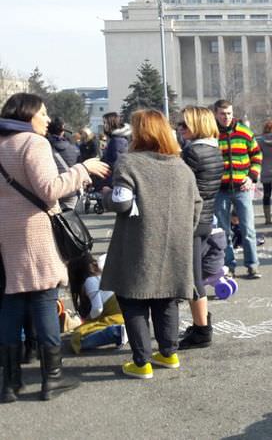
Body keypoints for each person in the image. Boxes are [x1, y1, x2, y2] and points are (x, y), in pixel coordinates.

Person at [0, 93, 110, 403]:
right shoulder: (33, 143)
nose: (47, 119)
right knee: (44, 298)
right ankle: (52, 379)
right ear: (27, 115)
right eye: (43, 113)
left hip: (5, 234)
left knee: (10, 301)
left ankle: (9, 383)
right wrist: (83, 170)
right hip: (33, 232)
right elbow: (50, 189)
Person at [100, 109, 202, 379]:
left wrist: (106, 196)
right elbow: (197, 206)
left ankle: (141, 361)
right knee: (167, 299)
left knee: (132, 299)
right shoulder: (181, 167)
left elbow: (121, 202)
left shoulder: (129, 163)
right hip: (175, 245)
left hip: (138, 243)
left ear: (140, 132)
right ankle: (169, 353)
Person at [175, 106, 223, 350]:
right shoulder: (214, 149)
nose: (180, 128)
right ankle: (201, 324)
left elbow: (179, 186)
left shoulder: (193, 153)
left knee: (193, 279)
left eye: (184, 124)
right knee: (195, 276)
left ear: (198, 125)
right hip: (204, 219)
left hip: (191, 221)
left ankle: (202, 329)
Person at [212, 99, 263, 279]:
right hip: (221, 189)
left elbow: (256, 155)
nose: (226, 117)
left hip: (242, 187)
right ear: (216, 114)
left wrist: (252, 177)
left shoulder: (244, 132)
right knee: (223, 230)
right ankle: (228, 266)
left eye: (229, 114)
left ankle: (252, 265)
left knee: (248, 228)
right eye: (222, 114)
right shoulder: (212, 134)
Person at [68, 253, 126, 354]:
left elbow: (98, 309)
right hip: (126, 312)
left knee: (78, 338)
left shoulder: (90, 280)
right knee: (86, 329)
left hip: (115, 317)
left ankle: (116, 332)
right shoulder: (102, 272)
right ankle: (125, 331)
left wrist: (88, 319)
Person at [46, 117, 82, 211]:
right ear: (62, 131)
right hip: (71, 188)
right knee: (68, 220)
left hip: (51, 189)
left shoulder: (43, 147)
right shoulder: (73, 148)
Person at [101, 111, 130, 187]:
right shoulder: (114, 139)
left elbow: (119, 165)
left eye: (105, 123)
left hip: (114, 183)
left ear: (111, 123)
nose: (103, 126)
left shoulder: (117, 141)